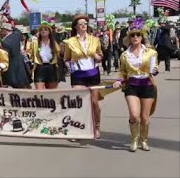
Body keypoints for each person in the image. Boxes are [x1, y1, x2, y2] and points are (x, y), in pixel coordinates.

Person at [113, 24, 159, 152]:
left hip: (147, 86)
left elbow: (155, 68)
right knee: (134, 115)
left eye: (138, 34)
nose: (135, 37)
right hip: (131, 86)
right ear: (129, 37)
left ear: (142, 36)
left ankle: (143, 140)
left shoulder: (151, 52)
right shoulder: (124, 55)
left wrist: (155, 70)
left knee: (144, 117)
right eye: (132, 35)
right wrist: (118, 80)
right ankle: (134, 140)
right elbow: (122, 71)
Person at [63, 15, 103, 139]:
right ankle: (77, 129)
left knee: (94, 103)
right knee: (78, 103)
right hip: (78, 75)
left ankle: (96, 127)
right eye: (80, 23)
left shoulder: (95, 40)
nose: (83, 25)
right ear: (76, 27)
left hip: (92, 74)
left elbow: (101, 55)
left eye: (85, 23)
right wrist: (69, 66)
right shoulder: (70, 42)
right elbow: (66, 59)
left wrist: (98, 57)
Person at [28, 21, 60, 90]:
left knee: (52, 93)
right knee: (39, 92)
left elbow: (59, 53)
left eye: (45, 29)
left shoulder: (53, 43)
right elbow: (29, 53)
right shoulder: (34, 42)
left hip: (51, 67)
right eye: (41, 30)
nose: (43, 31)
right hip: (39, 68)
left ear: (49, 32)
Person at [0, 23, 31, 88]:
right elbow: (18, 31)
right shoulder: (17, 35)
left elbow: (5, 56)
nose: (1, 32)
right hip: (20, 63)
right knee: (22, 84)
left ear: (5, 30)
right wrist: (12, 26)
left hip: (11, 65)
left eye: (2, 30)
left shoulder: (5, 41)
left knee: (14, 86)